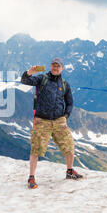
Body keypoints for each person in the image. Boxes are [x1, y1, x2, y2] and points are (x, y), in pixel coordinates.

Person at [21, 57, 84, 189]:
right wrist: (29, 72)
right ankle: (31, 177)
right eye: (53, 65)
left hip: (59, 120)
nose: (55, 68)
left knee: (69, 145)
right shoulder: (41, 79)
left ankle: (70, 171)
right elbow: (25, 80)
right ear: (50, 66)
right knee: (36, 149)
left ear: (62, 68)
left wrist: (66, 115)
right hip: (42, 120)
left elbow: (70, 102)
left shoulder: (65, 84)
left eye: (58, 66)